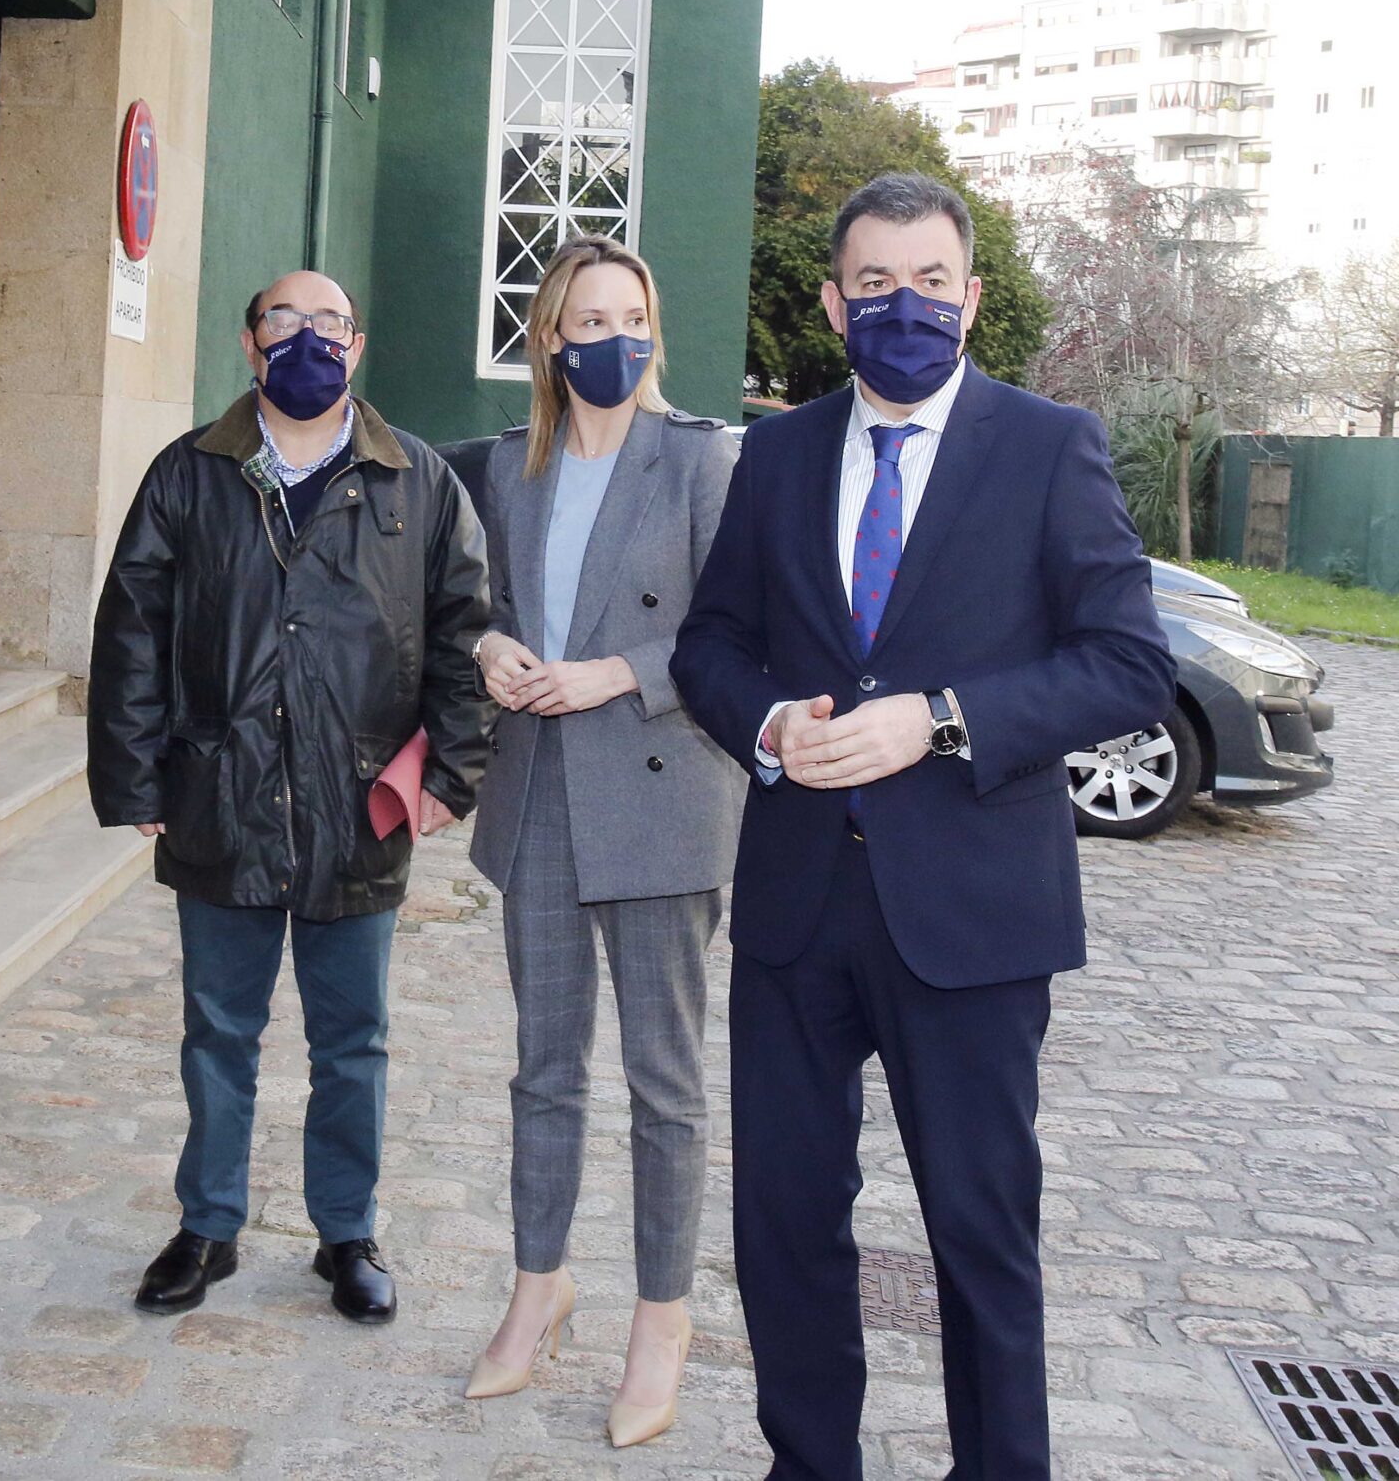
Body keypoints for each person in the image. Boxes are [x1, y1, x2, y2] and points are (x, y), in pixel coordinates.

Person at [672, 172, 1173, 1481]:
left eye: (932, 284)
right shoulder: (774, 452)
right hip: (796, 912)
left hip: (974, 919)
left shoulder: (1049, 443)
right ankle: (809, 1463)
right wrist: (773, 727)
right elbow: (712, 644)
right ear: (836, 301)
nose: (908, 307)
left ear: (973, 297)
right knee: (785, 1220)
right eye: (878, 286)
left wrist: (939, 721)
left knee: (978, 1230)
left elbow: (1126, 663)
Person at [89, 270, 491, 1326]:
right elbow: (131, 629)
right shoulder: (188, 473)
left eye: (328, 324)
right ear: (247, 342)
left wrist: (451, 775)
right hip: (218, 791)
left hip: (358, 802)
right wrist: (134, 773)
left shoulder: (422, 483)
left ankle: (345, 1232)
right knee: (217, 1026)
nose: (307, 338)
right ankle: (207, 1226)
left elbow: (464, 633)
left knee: (350, 1036)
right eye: (284, 320)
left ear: (356, 346)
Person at [462, 237, 740, 1446]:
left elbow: (737, 631)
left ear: (653, 332)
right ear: (549, 337)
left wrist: (613, 673)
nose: (608, 338)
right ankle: (537, 1290)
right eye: (586, 319)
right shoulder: (504, 467)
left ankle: (660, 1321)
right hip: (536, 800)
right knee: (542, 1067)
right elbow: (462, 597)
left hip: (660, 797)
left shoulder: (699, 461)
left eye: (630, 316)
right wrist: (487, 649)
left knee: (664, 1085)